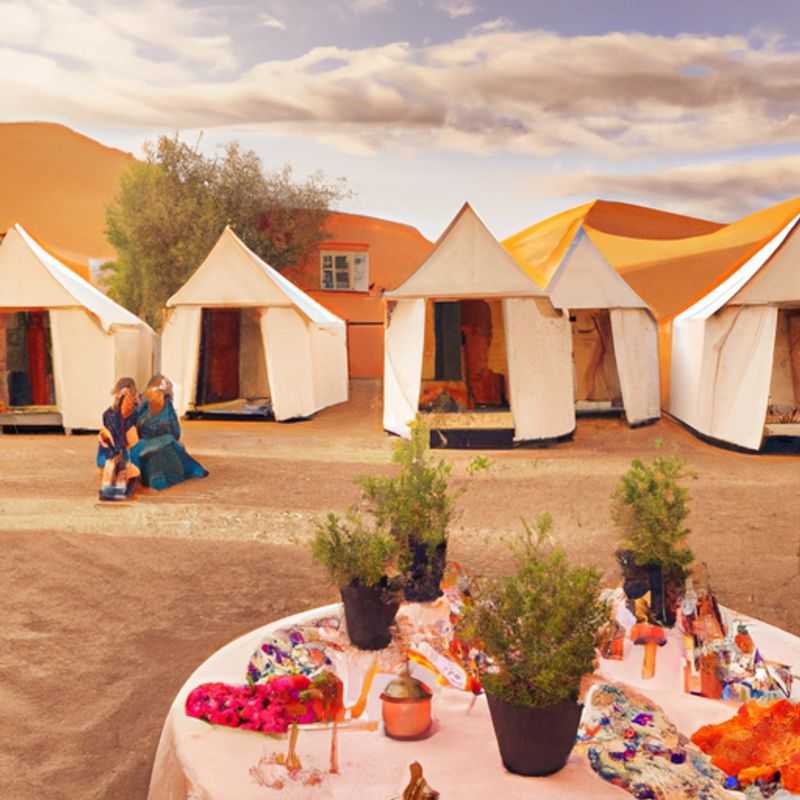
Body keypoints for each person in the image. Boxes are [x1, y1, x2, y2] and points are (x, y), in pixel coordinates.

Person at [130, 374, 208, 490]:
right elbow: (134, 427)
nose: (154, 397)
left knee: (165, 452)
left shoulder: (168, 409)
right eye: (151, 394)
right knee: (149, 454)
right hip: (145, 447)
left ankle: (159, 478)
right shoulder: (143, 407)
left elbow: (176, 434)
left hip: (165, 447)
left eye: (158, 394)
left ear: (164, 395)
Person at [96, 377, 141, 501]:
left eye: (128, 396)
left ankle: (119, 489)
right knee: (111, 464)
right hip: (114, 449)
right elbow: (111, 437)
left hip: (127, 449)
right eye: (121, 396)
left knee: (127, 468)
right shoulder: (108, 414)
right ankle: (110, 490)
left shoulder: (137, 414)